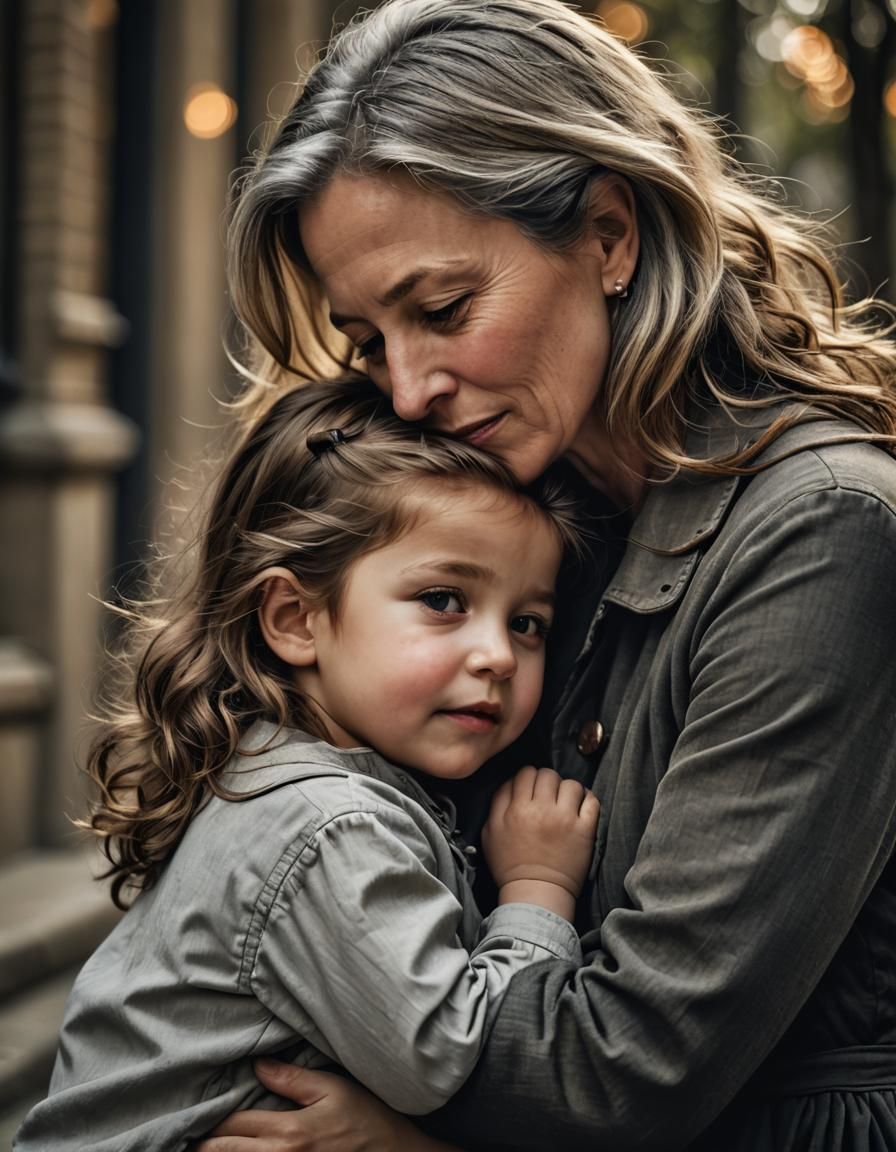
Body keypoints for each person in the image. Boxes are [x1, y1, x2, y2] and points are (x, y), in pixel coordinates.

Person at [201, 0, 896, 1149]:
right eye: (370, 340)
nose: (408, 387)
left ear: (609, 236)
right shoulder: (519, 518)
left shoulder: (820, 532)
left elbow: (631, 1073)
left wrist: (407, 1137)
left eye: (441, 310)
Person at [13, 379, 601, 1152]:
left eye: (527, 622)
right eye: (444, 600)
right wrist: (538, 890)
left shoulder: (294, 780)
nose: (497, 655)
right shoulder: (327, 826)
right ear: (296, 619)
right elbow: (452, 1053)